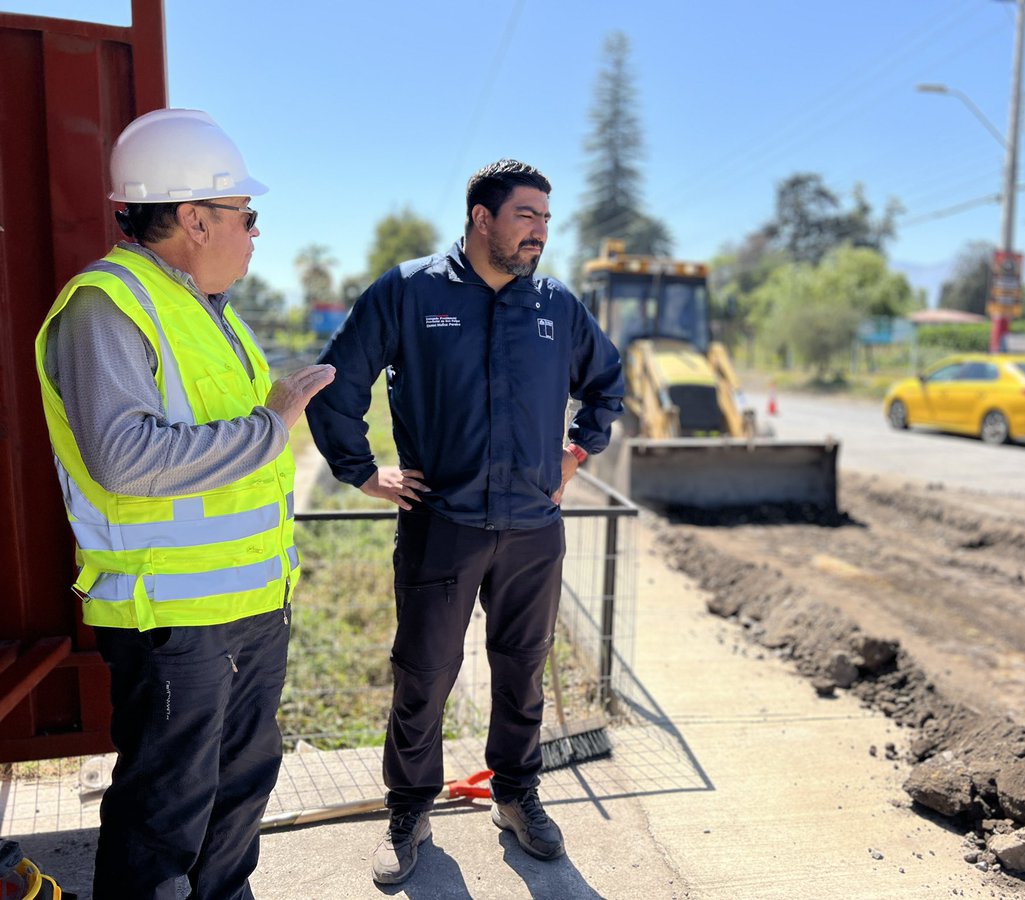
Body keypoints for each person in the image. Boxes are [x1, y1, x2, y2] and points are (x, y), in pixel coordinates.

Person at [33, 108, 335, 900]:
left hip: (248, 609)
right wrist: (269, 426)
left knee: (240, 796)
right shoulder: (107, 307)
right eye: (246, 215)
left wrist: (267, 419)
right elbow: (125, 458)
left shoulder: (213, 313)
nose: (254, 233)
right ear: (195, 218)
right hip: (174, 619)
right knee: (165, 817)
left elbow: (232, 446)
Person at [305, 159, 625, 884]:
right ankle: (410, 808)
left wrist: (576, 452)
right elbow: (335, 385)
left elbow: (607, 384)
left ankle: (516, 794)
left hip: (533, 528)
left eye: (546, 218)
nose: (541, 232)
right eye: (526, 217)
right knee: (424, 673)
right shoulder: (411, 291)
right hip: (441, 522)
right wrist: (362, 470)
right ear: (482, 218)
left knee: (522, 671)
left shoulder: (555, 304)